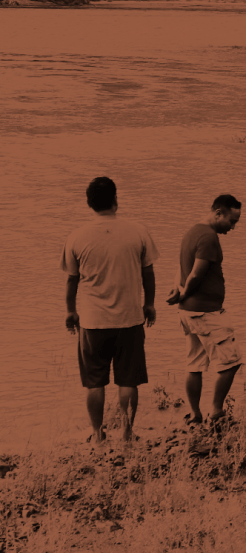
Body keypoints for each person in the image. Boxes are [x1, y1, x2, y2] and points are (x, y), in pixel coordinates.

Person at [61, 177, 159, 445]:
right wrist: (149, 304)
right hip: (130, 320)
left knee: (94, 382)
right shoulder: (137, 230)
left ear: (89, 203)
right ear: (116, 199)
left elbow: (72, 279)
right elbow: (148, 272)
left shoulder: (76, 236)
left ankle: (97, 434)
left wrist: (70, 311)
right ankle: (127, 434)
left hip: (92, 322)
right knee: (128, 381)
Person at [167, 195, 243, 427]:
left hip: (189, 313)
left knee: (195, 363)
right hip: (205, 312)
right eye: (232, 221)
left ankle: (195, 414)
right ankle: (216, 411)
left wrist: (177, 290)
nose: (233, 227)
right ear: (218, 213)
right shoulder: (209, 237)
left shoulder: (192, 231)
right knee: (231, 361)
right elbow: (197, 273)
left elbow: (182, 267)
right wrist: (184, 293)